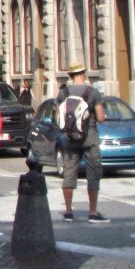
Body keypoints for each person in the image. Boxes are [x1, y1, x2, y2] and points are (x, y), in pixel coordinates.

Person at [56, 62, 109, 223]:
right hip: (90, 138)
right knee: (93, 173)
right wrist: (102, 117)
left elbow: (57, 116)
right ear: (83, 74)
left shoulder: (63, 93)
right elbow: (100, 117)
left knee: (69, 173)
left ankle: (68, 211)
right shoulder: (93, 93)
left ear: (71, 76)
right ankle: (93, 212)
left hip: (70, 138)